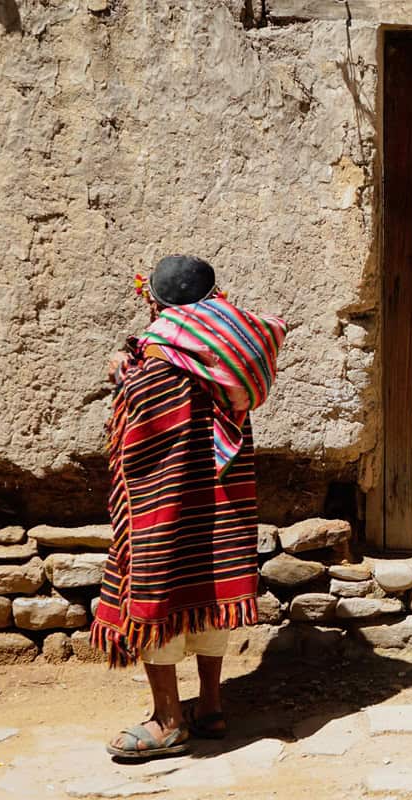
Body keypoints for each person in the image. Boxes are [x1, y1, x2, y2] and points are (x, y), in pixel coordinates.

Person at [92, 255, 287, 761]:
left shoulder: (159, 357)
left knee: (160, 592)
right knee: (209, 586)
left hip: (169, 494)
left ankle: (168, 720)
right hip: (220, 490)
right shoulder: (230, 352)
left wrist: (122, 377)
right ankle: (213, 707)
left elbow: (135, 426)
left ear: (154, 301)